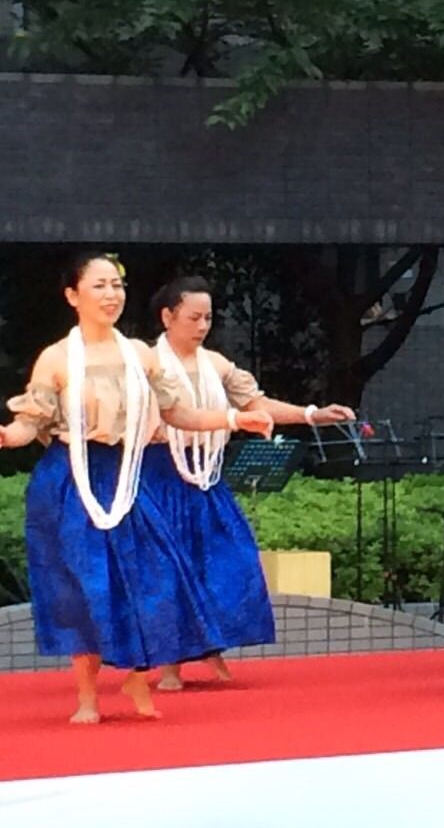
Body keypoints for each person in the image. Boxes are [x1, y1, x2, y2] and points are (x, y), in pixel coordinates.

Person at [0, 254, 273, 723]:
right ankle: (87, 697)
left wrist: (234, 418)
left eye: (117, 285)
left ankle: (137, 676)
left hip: (128, 474)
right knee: (85, 586)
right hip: (70, 479)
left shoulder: (141, 356)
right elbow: (31, 423)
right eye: (99, 285)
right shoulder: (57, 358)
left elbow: (179, 414)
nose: (112, 295)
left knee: (157, 576)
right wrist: (7, 436)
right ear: (73, 296)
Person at [147, 276, 355, 691]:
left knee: (231, 561)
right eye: (193, 317)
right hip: (160, 476)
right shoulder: (147, 364)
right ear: (168, 317)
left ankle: (211, 648)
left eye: (208, 318)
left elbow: (255, 405)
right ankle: (169, 664)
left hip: (207, 478)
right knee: (170, 569)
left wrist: (311, 414)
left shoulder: (217, 364)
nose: (202, 326)